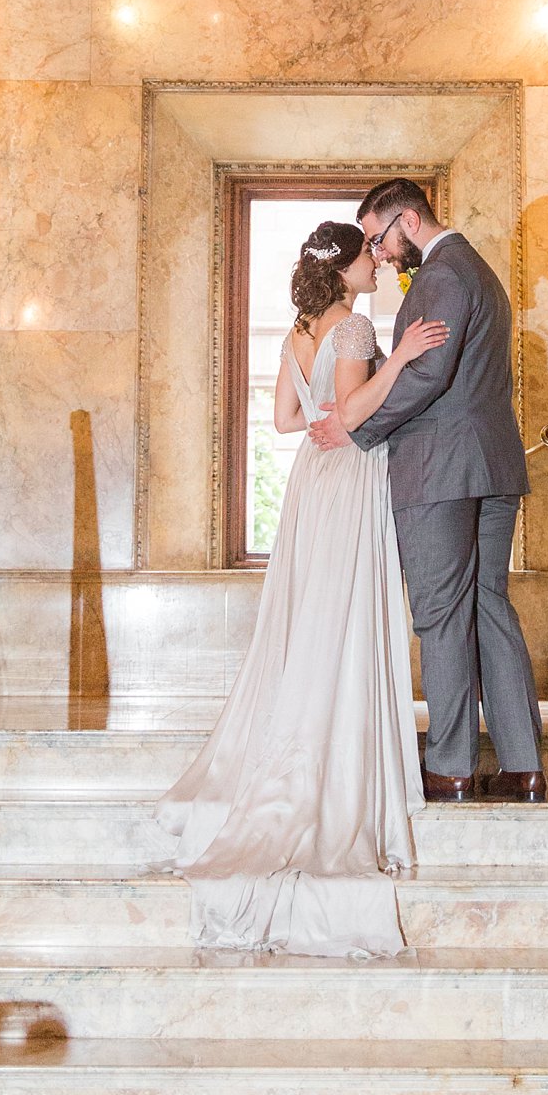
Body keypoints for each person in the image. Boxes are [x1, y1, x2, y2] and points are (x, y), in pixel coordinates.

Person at [154, 220, 448, 958]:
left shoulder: (297, 331)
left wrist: (332, 407)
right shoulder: (352, 325)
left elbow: (288, 420)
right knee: (341, 618)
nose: (376, 266)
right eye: (367, 256)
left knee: (316, 617)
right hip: (346, 474)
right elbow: (347, 415)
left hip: (309, 483)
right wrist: (401, 357)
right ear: (345, 266)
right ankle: (335, 754)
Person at [309, 180, 545, 804]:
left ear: (408, 220)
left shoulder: (442, 275)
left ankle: (451, 768)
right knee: (489, 608)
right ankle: (523, 766)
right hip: (492, 466)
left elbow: (425, 378)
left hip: (440, 471)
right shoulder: (480, 271)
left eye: (380, 239)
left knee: (440, 614)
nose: (379, 254)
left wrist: (353, 425)